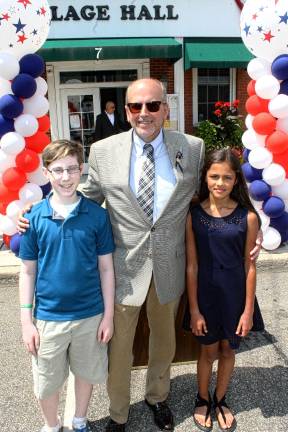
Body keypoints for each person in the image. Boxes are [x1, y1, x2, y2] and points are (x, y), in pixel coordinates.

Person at [18, 79, 261, 432]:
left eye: (152, 105)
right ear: (128, 110)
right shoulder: (103, 150)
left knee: (163, 342)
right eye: (135, 106)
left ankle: (157, 397)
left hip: (170, 265)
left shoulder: (191, 148)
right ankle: (118, 412)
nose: (143, 113)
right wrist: (38, 210)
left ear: (166, 109)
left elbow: (210, 196)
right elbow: (84, 195)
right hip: (122, 267)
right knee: (119, 349)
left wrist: (249, 234)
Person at [18, 139, 115, 432]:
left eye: (72, 169)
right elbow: (27, 272)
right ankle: (51, 424)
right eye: (57, 170)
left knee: (85, 373)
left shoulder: (97, 216)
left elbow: (106, 268)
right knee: (46, 381)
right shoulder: (34, 217)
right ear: (46, 173)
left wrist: (108, 316)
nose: (65, 177)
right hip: (48, 318)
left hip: (90, 315)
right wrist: (26, 321)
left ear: (81, 170)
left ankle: (80, 419)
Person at [185, 148, 261, 432]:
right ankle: (202, 398)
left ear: (236, 181)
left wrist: (248, 311)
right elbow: (191, 266)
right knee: (207, 352)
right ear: (205, 178)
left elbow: (250, 267)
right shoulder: (194, 215)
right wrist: (193, 309)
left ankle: (220, 399)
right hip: (205, 296)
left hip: (235, 298)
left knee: (229, 351)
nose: (220, 183)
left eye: (227, 178)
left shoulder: (247, 218)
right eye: (214, 176)